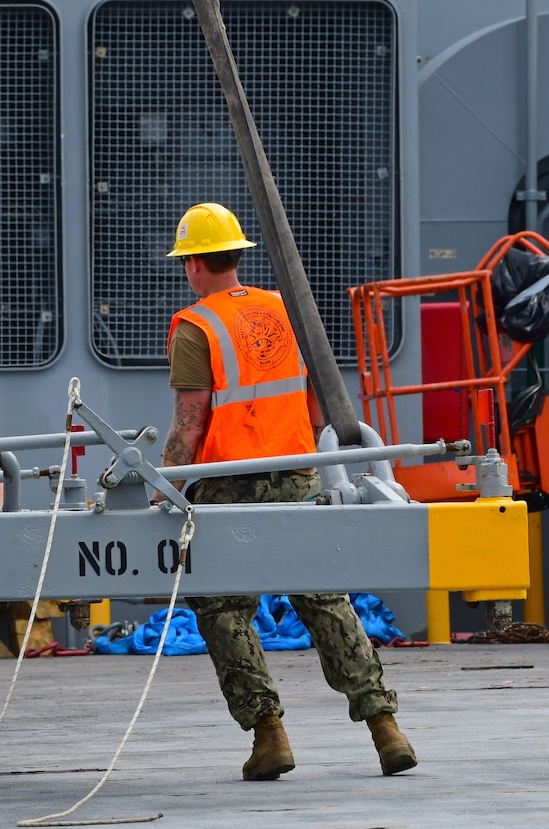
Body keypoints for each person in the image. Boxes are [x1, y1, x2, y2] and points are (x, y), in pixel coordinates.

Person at [160, 203, 417, 781]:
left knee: (224, 608)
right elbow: (314, 397)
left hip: (228, 488)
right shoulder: (283, 308)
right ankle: (385, 729)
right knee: (324, 598)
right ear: (236, 255)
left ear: (195, 263)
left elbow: (190, 422)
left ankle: (269, 736)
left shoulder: (196, 326)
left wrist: (163, 484)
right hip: (297, 474)